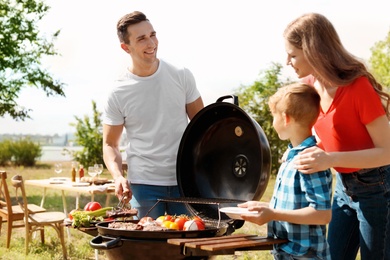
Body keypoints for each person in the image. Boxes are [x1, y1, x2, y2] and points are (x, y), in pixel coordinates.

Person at [283, 13, 390, 260]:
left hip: (377, 189)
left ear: (313, 51)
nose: (287, 61)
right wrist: (295, 151)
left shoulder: (358, 87)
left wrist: (329, 159)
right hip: (343, 187)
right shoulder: (311, 86)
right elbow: (311, 131)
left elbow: (387, 151)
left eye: (293, 54)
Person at [102, 11, 204, 219]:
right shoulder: (118, 91)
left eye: (152, 34)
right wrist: (118, 176)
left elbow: (203, 126)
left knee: (184, 244)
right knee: (149, 246)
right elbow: (110, 144)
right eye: (141, 38)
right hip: (143, 184)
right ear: (126, 47)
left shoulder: (181, 75)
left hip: (183, 180)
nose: (151, 43)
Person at [239, 83, 333, 260]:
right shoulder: (291, 156)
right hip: (286, 251)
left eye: (273, 116)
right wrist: (266, 208)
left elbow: (322, 214)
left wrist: (274, 214)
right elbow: (295, 206)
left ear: (285, 118)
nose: (273, 122)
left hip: (306, 256)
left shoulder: (310, 160)